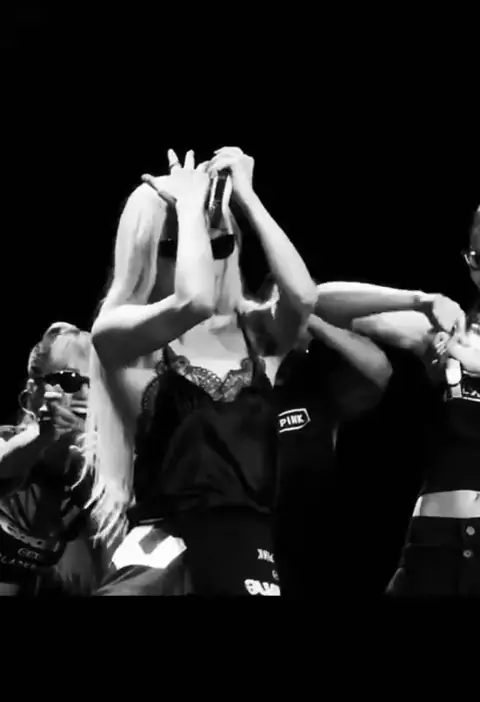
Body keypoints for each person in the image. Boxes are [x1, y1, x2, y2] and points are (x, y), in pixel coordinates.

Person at [84, 146, 317, 596]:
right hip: (166, 557)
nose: (206, 258)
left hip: (248, 551)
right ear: (146, 250)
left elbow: (304, 297)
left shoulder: (254, 330)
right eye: (178, 245)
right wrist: (191, 208)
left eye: (220, 243)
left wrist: (247, 197)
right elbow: (194, 302)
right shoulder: (116, 332)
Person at [315, 205, 480, 596]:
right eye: (477, 258)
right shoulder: (451, 333)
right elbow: (317, 300)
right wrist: (420, 300)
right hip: (435, 545)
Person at [273, 310, 392, 598]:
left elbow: (380, 373)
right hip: (249, 524)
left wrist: (309, 318)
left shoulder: (313, 373)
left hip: (312, 535)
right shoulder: (235, 373)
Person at [0, 322, 100, 596]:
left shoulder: (97, 468)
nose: (84, 394)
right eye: (69, 380)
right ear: (32, 392)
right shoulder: (8, 440)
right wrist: (42, 436)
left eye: (96, 384)